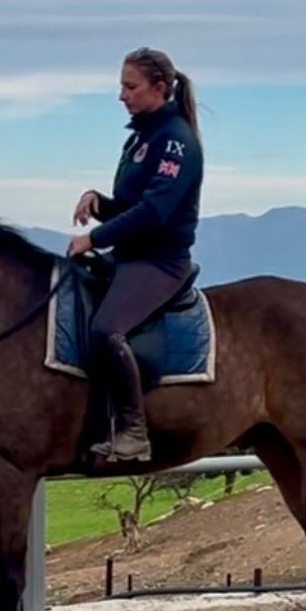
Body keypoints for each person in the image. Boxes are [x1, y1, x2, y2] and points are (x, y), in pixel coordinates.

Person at [67, 47, 204, 462]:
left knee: (106, 330)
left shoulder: (176, 142)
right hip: (131, 256)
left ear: (159, 88)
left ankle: (133, 432)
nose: (121, 95)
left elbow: (155, 211)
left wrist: (96, 238)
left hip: (160, 262)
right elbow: (133, 204)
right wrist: (100, 202)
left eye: (130, 86)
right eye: (121, 86)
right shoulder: (141, 138)